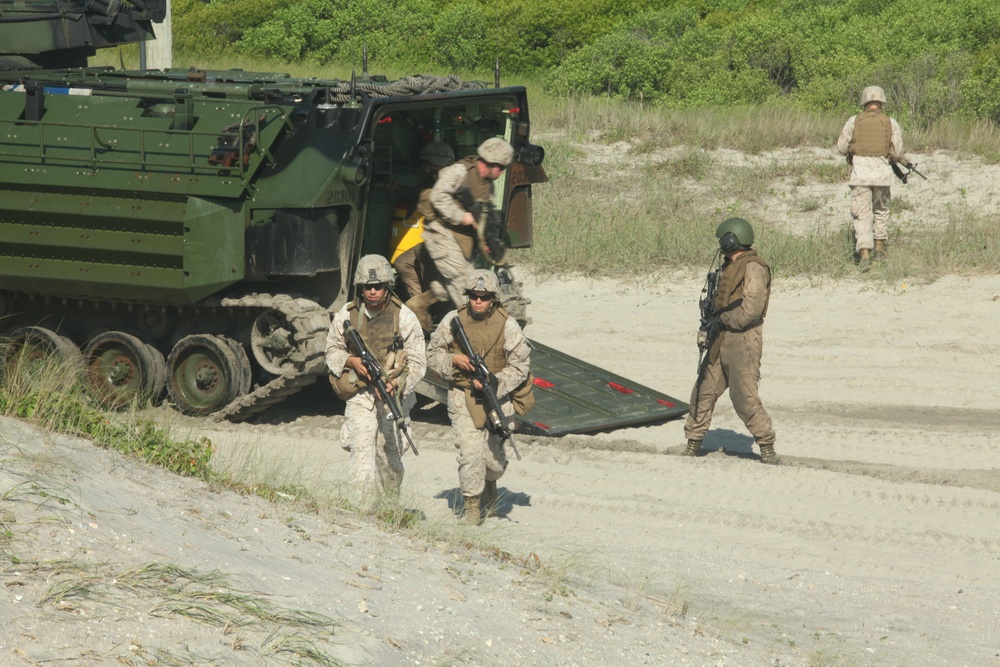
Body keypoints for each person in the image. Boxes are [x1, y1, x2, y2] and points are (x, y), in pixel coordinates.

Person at [427, 269, 531, 524]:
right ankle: (472, 507)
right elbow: (432, 354)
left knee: (494, 462)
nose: (478, 301)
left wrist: (495, 382)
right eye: (474, 295)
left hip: (498, 396)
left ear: (493, 298)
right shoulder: (454, 320)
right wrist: (454, 360)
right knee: (469, 453)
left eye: (484, 297)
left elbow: (521, 365)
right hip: (464, 396)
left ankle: (490, 483)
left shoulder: (507, 325)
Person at [325, 254, 426, 502]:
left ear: (387, 286)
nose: (372, 291)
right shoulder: (346, 315)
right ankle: (360, 511)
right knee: (362, 453)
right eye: (368, 287)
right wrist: (352, 362)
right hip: (361, 394)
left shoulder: (404, 317)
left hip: (393, 394)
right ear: (361, 287)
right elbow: (331, 349)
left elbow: (419, 363)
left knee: (390, 459)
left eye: (378, 286)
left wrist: (396, 383)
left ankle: (390, 507)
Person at [684, 218, 778, 465]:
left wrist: (723, 320)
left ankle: (766, 445)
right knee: (703, 390)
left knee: (744, 397)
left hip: (742, 341)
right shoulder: (727, 267)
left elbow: (751, 311)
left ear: (731, 240)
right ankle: (693, 442)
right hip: (721, 337)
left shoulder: (754, 268)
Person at [421, 137, 514, 311]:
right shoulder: (459, 172)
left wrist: (487, 240)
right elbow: (437, 196)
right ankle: (474, 327)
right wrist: (464, 217)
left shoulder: (488, 186)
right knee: (466, 282)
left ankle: (418, 305)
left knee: (447, 288)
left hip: (463, 239)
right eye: (501, 167)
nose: (502, 172)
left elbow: (484, 216)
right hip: (441, 233)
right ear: (489, 163)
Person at [836, 85, 904, 272]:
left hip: (860, 176)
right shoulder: (891, 122)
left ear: (864, 101)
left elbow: (841, 147)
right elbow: (897, 151)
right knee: (881, 211)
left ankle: (865, 254)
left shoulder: (853, 121)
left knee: (862, 214)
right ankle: (880, 249)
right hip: (882, 175)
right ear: (881, 101)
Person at [389, 141, 455, 307]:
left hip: (449, 241)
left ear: (436, 163)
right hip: (434, 238)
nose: (424, 167)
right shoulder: (431, 182)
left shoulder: (453, 183)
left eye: (427, 163)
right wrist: (398, 189)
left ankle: (434, 306)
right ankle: (420, 307)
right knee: (402, 263)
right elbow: (416, 194)